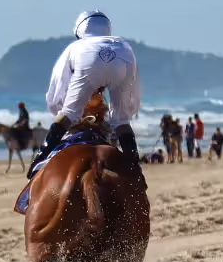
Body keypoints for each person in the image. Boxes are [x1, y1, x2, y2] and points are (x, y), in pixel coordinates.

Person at [28, 10, 146, 181]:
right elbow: (135, 87)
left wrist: (58, 110)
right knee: (121, 121)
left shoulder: (76, 46)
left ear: (80, 31)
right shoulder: (124, 45)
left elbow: (58, 85)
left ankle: (38, 161)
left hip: (87, 60)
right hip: (123, 59)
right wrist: (126, 112)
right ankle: (135, 170)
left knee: (67, 114)